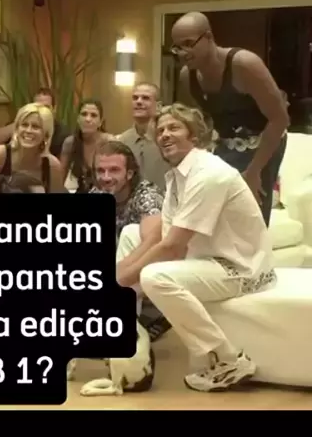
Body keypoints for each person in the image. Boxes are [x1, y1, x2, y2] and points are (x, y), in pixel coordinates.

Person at [117, 103, 276, 392]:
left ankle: (228, 359)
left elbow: (173, 247)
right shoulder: (177, 177)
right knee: (131, 233)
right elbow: (162, 235)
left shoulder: (208, 174)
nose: (165, 135)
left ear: (194, 136)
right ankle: (123, 328)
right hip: (207, 258)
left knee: (155, 276)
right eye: (160, 130)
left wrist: (121, 280)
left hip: (241, 269)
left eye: (174, 128)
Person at [171, 11, 289, 225]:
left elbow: (280, 119)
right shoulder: (187, 76)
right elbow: (196, 122)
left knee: (250, 211)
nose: (183, 52)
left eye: (189, 43)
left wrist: (254, 171)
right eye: (177, 47)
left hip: (265, 141)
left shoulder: (244, 65)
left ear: (208, 37)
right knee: (216, 211)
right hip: (225, 143)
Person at [89, 140, 168, 340]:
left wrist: (117, 275)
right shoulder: (98, 193)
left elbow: (153, 242)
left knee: (131, 232)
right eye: (100, 171)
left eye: (114, 170)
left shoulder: (146, 195)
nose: (106, 177)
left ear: (130, 173)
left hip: (154, 264)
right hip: (122, 269)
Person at [0, 103, 66, 193]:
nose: (28, 130)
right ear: (16, 129)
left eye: (35, 127)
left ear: (46, 134)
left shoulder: (52, 165)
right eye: (24, 125)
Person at [0, 87, 69, 159]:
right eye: (37, 106)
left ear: (54, 109)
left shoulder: (63, 135)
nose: (41, 111)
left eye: (46, 107)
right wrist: (18, 124)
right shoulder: (22, 126)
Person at [118, 82, 170, 192]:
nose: (139, 101)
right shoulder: (122, 141)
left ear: (158, 106)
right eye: (135, 98)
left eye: (145, 98)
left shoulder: (166, 139)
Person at [59, 98, 114, 193]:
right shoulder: (70, 143)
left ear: (100, 122)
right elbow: (60, 180)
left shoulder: (109, 142)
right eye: (84, 114)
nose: (88, 119)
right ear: (78, 119)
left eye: (93, 115)